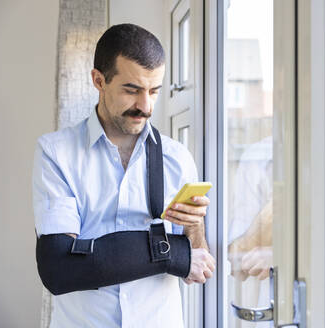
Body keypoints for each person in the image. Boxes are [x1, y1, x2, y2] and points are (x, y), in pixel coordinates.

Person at [32, 23, 215, 328]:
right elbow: (59, 269)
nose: (145, 106)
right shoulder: (56, 153)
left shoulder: (178, 159)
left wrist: (195, 229)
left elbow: (199, 265)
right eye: (132, 90)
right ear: (98, 80)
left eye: (154, 91)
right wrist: (171, 256)